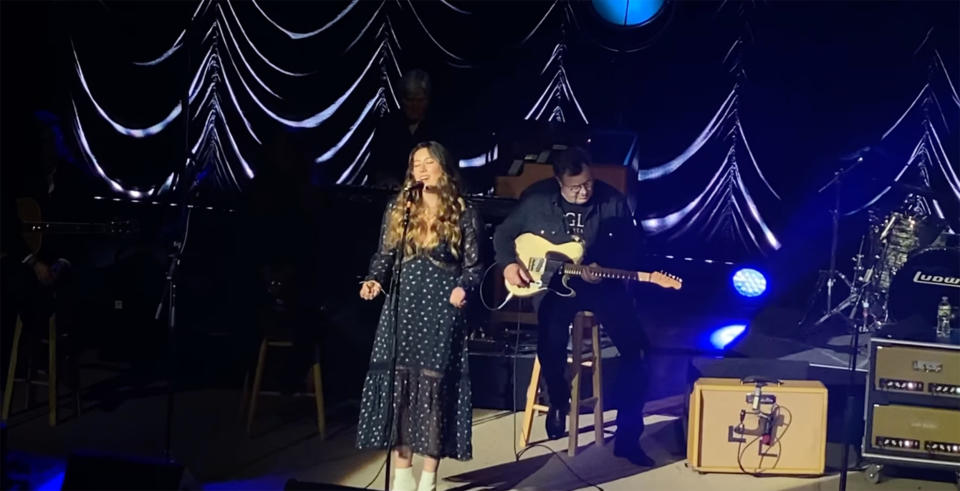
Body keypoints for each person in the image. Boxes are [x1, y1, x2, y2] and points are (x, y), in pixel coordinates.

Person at [492, 147, 654, 466]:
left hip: (601, 286)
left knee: (638, 349)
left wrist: (606, 266)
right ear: (558, 180)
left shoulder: (611, 201)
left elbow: (634, 248)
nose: (584, 191)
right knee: (549, 343)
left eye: (588, 183)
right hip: (554, 285)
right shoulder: (536, 199)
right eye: (575, 187)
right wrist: (509, 264)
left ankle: (628, 436)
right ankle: (557, 400)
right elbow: (503, 234)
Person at [356, 141, 482, 491]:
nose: (421, 169)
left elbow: (474, 268)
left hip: (441, 310)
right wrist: (372, 280)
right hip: (404, 307)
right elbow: (384, 253)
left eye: (428, 162)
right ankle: (401, 479)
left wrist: (463, 288)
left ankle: (428, 480)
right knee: (402, 390)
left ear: (443, 166)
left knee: (433, 390)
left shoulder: (463, 211)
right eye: (415, 163)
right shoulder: (401, 206)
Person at [367, 70, 447, 189]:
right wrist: (385, 179)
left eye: (419, 100)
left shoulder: (438, 128)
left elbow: (446, 167)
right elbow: (376, 164)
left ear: (428, 100)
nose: (414, 106)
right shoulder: (388, 125)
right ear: (401, 99)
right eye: (410, 100)